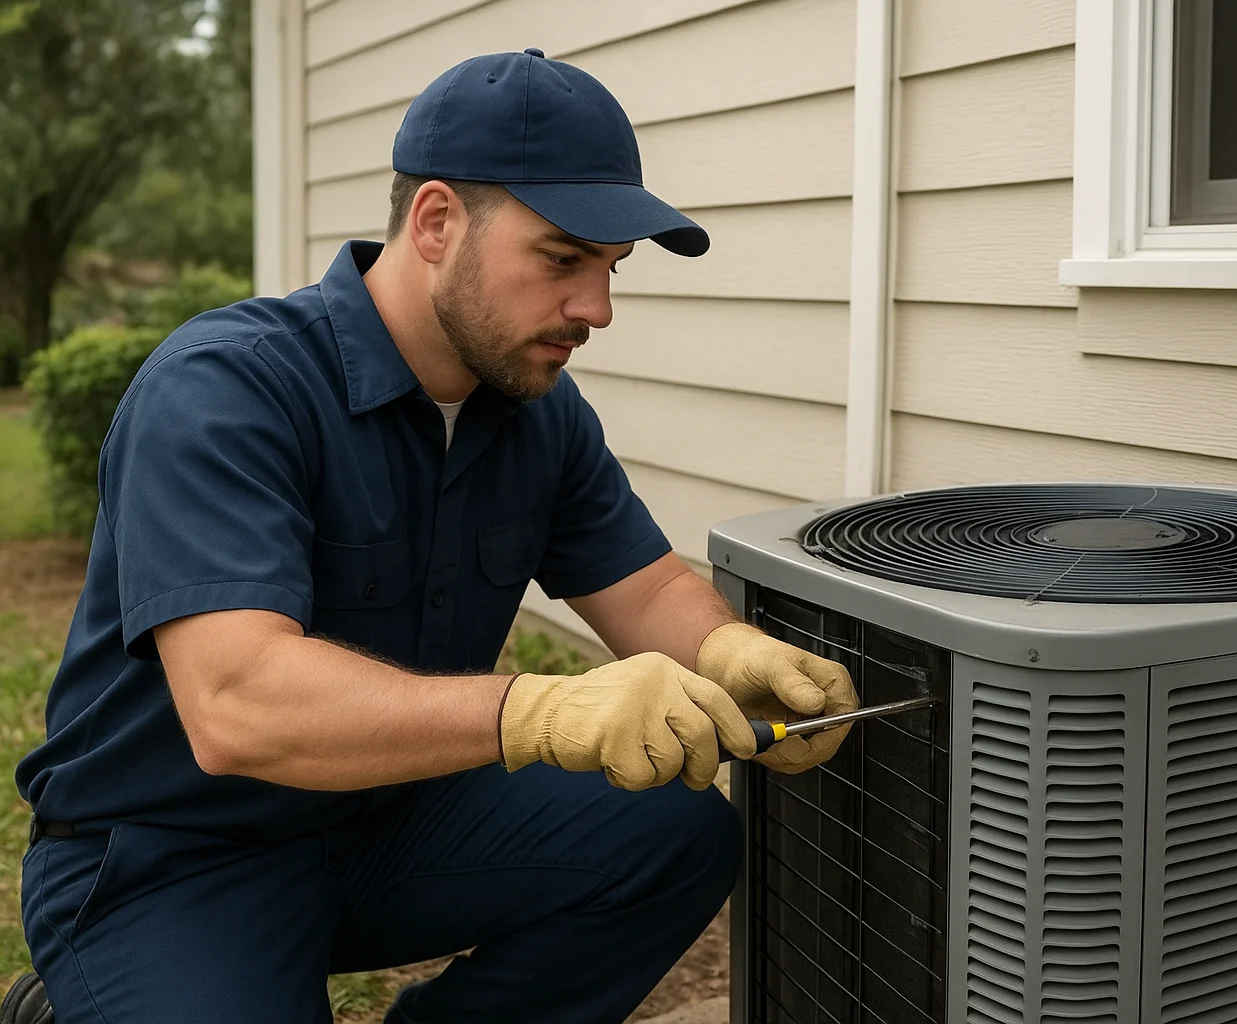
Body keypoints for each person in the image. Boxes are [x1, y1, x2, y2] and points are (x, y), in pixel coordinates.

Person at [3, 49, 858, 1024]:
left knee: (675, 831)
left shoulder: (538, 413)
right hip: (173, 855)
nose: (598, 308)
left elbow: (649, 590)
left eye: (611, 271)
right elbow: (238, 704)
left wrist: (731, 653)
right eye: (563, 259)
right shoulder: (227, 389)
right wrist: (537, 710)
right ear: (438, 221)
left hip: (385, 821)